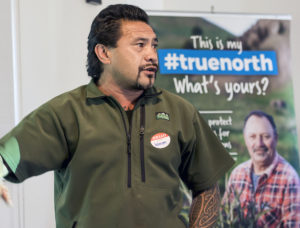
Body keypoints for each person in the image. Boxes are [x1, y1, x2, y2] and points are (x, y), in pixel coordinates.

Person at [0, 4, 234, 228]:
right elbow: (6, 157)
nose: (152, 55)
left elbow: (207, 188)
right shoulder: (66, 113)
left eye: (154, 45)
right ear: (104, 53)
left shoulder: (180, 112)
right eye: (140, 45)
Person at [222, 110, 300, 227]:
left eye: (266, 136)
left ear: (276, 138)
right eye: (252, 137)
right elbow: (224, 217)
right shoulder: (237, 174)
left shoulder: (289, 179)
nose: (259, 143)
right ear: (245, 139)